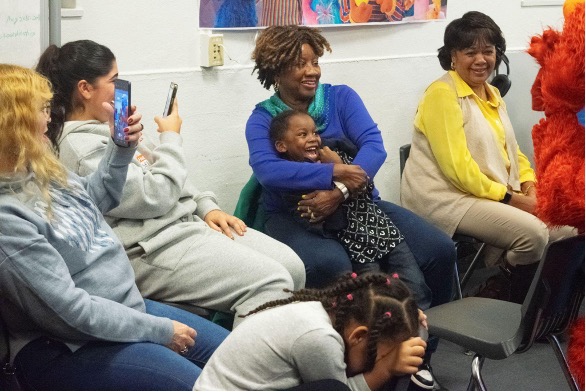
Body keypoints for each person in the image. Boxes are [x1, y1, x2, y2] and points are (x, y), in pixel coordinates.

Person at [35, 39, 306, 329]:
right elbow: (156, 195)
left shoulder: (111, 126)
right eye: (114, 80)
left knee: (292, 266)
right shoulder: (80, 147)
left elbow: (167, 172)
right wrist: (171, 137)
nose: (121, 88)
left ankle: (258, 345)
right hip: (150, 248)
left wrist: (205, 206)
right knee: (269, 282)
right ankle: (243, 367)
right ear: (86, 89)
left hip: (184, 227)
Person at [244, 25, 455, 389]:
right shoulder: (263, 118)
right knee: (333, 265)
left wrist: (339, 190)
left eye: (315, 61)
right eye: (300, 63)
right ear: (276, 68)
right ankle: (351, 370)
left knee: (439, 249)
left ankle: (418, 356)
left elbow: (374, 145)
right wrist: (334, 172)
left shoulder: (341, 98)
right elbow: (268, 171)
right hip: (295, 215)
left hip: (358, 206)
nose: (312, 70)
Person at [0, 64, 229, 390]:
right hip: (68, 347)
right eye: (41, 110)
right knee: (203, 386)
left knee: (242, 357)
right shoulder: (7, 218)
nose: (49, 118)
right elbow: (70, 313)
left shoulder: (37, 170)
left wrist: (120, 147)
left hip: (123, 309)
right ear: (13, 122)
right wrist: (159, 331)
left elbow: (96, 199)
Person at [400, 11, 575, 304]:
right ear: (452, 57)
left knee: (566, 229)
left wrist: (530, 185)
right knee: (532, 235)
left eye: (488, 51)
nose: (481, 60)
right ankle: (497, 293)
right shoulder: (442, 95)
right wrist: (516, 200)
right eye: (470, 52)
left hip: (489, 192)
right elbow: (459, 170)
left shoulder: (491, 92)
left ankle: (535, 309)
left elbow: (512, 150)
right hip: (448, 198)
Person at [194, 272, 427, 391]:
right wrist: (385, 368)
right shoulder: (319, 339)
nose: (386, 357)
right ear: (358, 335)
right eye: (384, 353)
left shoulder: (324, 311)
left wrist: (404, 316)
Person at [269, 109, 411, 277]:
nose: (313, 138)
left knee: (413, 280)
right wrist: (340, 179)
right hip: (355, 247)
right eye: (303, 134)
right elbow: (323, 221)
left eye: (315, 132)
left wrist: (339, 168)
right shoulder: (292, 182)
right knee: (373, 291)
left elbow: (366, 185)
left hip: (383, 230)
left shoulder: (335, 153)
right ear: (281, 145)